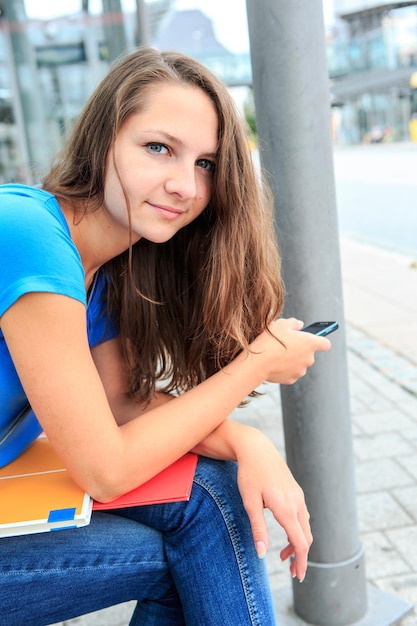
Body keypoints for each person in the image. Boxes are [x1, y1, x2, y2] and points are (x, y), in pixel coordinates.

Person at [0, 47, 332, 626]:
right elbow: (105, 467)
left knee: (211, 498)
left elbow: (124, 402)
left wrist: (248, 443)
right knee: (197, 551)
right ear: (103, 140)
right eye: (159, 148)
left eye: (205, 163)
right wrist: (255, 364)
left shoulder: (106, 271)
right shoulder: (28, 235)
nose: (184, 185)